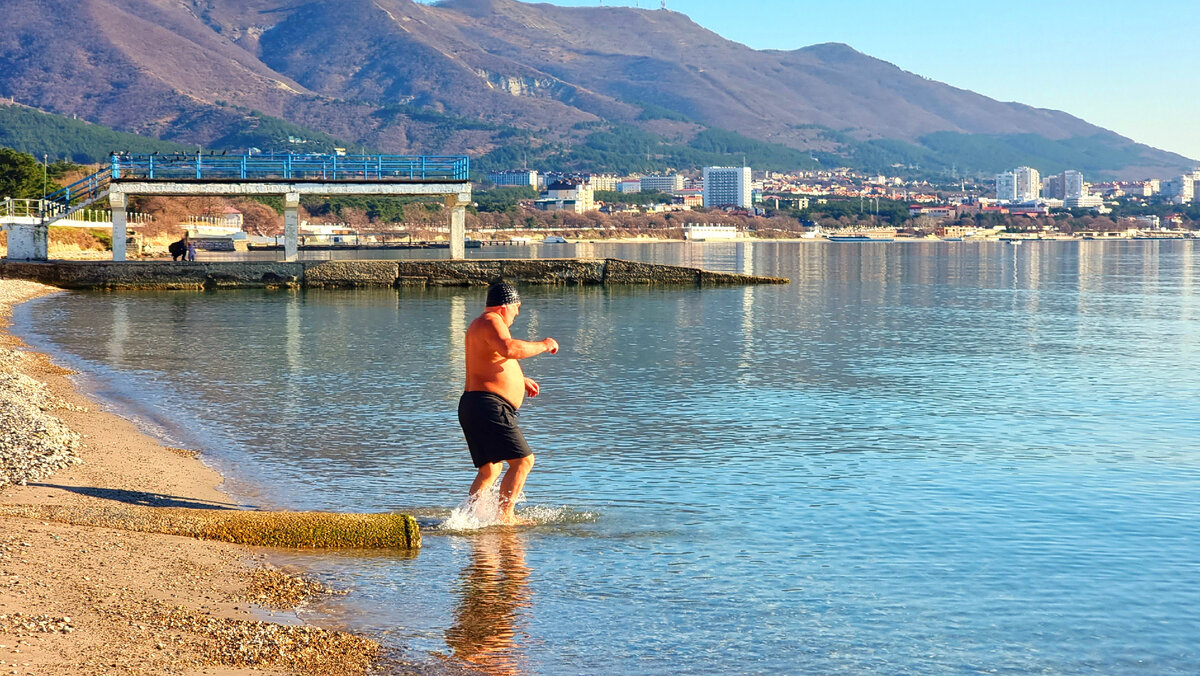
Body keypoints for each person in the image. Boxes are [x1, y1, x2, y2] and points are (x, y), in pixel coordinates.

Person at [459, 282, 558, 525]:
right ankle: (506, 518)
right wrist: (544, 344)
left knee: (490, 469)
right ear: (506, 306)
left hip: (476, 405)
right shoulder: (492, 321)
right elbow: (508, 348)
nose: (517, 313)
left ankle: (468, 520)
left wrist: (518, 379)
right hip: (488, 406)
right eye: (517, 307)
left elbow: (488, 359)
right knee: (523, 461)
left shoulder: (481, 325)